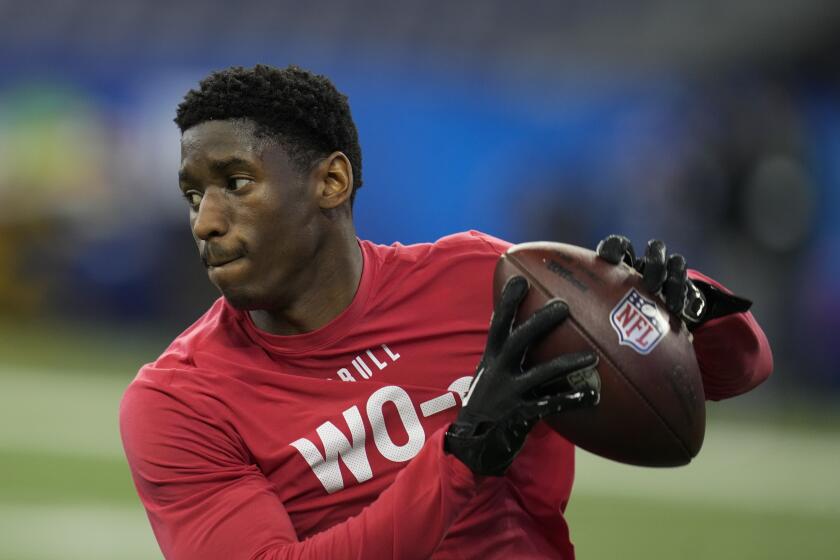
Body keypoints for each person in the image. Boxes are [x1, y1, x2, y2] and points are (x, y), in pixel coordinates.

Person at [119, 64, 773, 560]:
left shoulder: (481, 280)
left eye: (236, 184)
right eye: (192, 194)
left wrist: (679, 313)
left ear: (331, 181)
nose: (204, 221)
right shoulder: (179, 402)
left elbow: (741, 368)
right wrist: (462, 456)